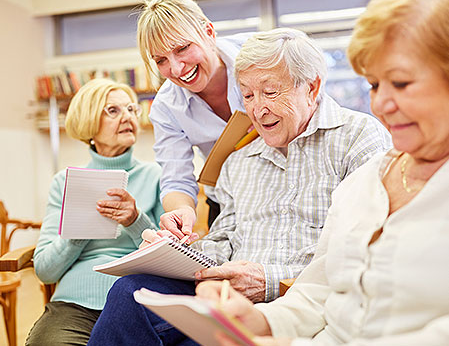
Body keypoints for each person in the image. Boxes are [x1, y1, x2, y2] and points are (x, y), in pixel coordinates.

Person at [87, 28, 391, 346]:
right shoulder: (239, 161)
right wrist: (175, 250)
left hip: (299, 299)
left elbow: (362, 252)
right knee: (130, 291)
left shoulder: (358, 136)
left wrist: (269, 281)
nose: (257, 110)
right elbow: (222, 241)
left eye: (270, 92)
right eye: (247, 95)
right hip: (228, 295)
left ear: (311, 87)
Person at [196, 0, 449, 345]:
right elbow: (319, 288)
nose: (382, 104)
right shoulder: (365, 182)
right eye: (374, 85)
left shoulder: (355, 143)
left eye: (402, 83)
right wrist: (258, 320)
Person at [26, 78, 164, 346]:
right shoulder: (64, 182)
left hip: (136, 301)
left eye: (131, 109)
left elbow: (168, 260)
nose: (127, 116)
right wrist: (80, 229)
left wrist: (136, 222)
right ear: (89, 121)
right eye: (113, 110)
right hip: (74, 304)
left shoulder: (155, 176)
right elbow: (45, 270)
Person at [137, 0, 251, 236]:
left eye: (183, 48)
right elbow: (176, 180)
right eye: (161, 60)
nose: (176, 69)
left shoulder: (257, 56)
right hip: (229, 206)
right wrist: (182, 212)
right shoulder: (167, 107)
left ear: (209, 32)